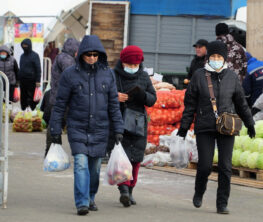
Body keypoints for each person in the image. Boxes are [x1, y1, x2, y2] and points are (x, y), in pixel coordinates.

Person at [49, 35, 124, 216]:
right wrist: (55, 129)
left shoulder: (108, 74)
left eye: (95, 54)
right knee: (81, 164)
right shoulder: (70, 75)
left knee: (95, 167)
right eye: (88, 54)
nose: (91, 58)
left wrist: (119, 129)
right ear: (81, 54)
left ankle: (91, 197)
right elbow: (60, 104)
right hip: (77, 126)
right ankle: (82, 202)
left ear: (100, 55)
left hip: (100, 128)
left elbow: (114, 104)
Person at [177, 41, 255, 214]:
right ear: (208, 58)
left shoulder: (232, 77)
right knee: (205, 165)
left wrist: (250, 124)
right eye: (213, 56)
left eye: (219, 56)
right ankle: (199, 191)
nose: (216, 59)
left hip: (226, 126)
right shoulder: (198, 75)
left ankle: (222, 203)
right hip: (204, 126)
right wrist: (183, 128)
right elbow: (190, 104)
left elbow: (241, 103)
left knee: (225, 166)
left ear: (224, 58)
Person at [107, 45, 157, 207]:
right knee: (122, 157)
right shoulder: (112, 75)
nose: (132, 68)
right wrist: (115, 96)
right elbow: (103, 94)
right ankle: (124, 190)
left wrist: (142, 95)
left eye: (135, 65)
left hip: (138, 123)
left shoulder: (143, 76)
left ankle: (131, 190)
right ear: (123, 62)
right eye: (129, 65)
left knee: (136, 159)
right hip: (119, 121)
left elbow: (152, 99)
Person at [44, 38, 80, 157]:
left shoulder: (63, 57)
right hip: (63, 99)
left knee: (56, 124)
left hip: (59, 97)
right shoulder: (66, 59)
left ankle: (51, 151)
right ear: (74, 49)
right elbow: (72, 75)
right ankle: (52, 151)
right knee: (57, 125)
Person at [19, 38, 41, 110]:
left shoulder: (35, 55)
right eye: (23, 45)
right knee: (23, 98)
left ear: (29, 45)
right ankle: (23, 112)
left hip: (32, 81)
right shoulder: (22, 56)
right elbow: (21, 68)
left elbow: (38, 68)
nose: (24, 46)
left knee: (31, 98)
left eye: (26, 45)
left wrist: (38, 80)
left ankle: (32, 113)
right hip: (22, 81)